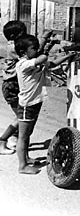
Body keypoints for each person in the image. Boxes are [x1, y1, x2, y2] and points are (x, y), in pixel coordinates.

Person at [14, 34, 75, 174]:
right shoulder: (22, 64)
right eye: (33, 48)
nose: (36, 51)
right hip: (26, 105)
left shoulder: (34, 61)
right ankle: (22, 166)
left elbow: (51, 64)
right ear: (23, 52)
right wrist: (46, 49)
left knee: (28, 133)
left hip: (35, 102)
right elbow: (43, 58)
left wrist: (68, 56)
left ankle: (26, 158)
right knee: (22, 136)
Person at [0, 20, 53, 154]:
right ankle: (4, 140)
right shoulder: (13, 48)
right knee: (21, 117)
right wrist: (44, 38)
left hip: (17, 85)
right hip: (12, 86)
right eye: (23, 33)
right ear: (13, 36)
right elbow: (36, 52)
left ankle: (16, 140)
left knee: (22, 117)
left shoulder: (15, 45)